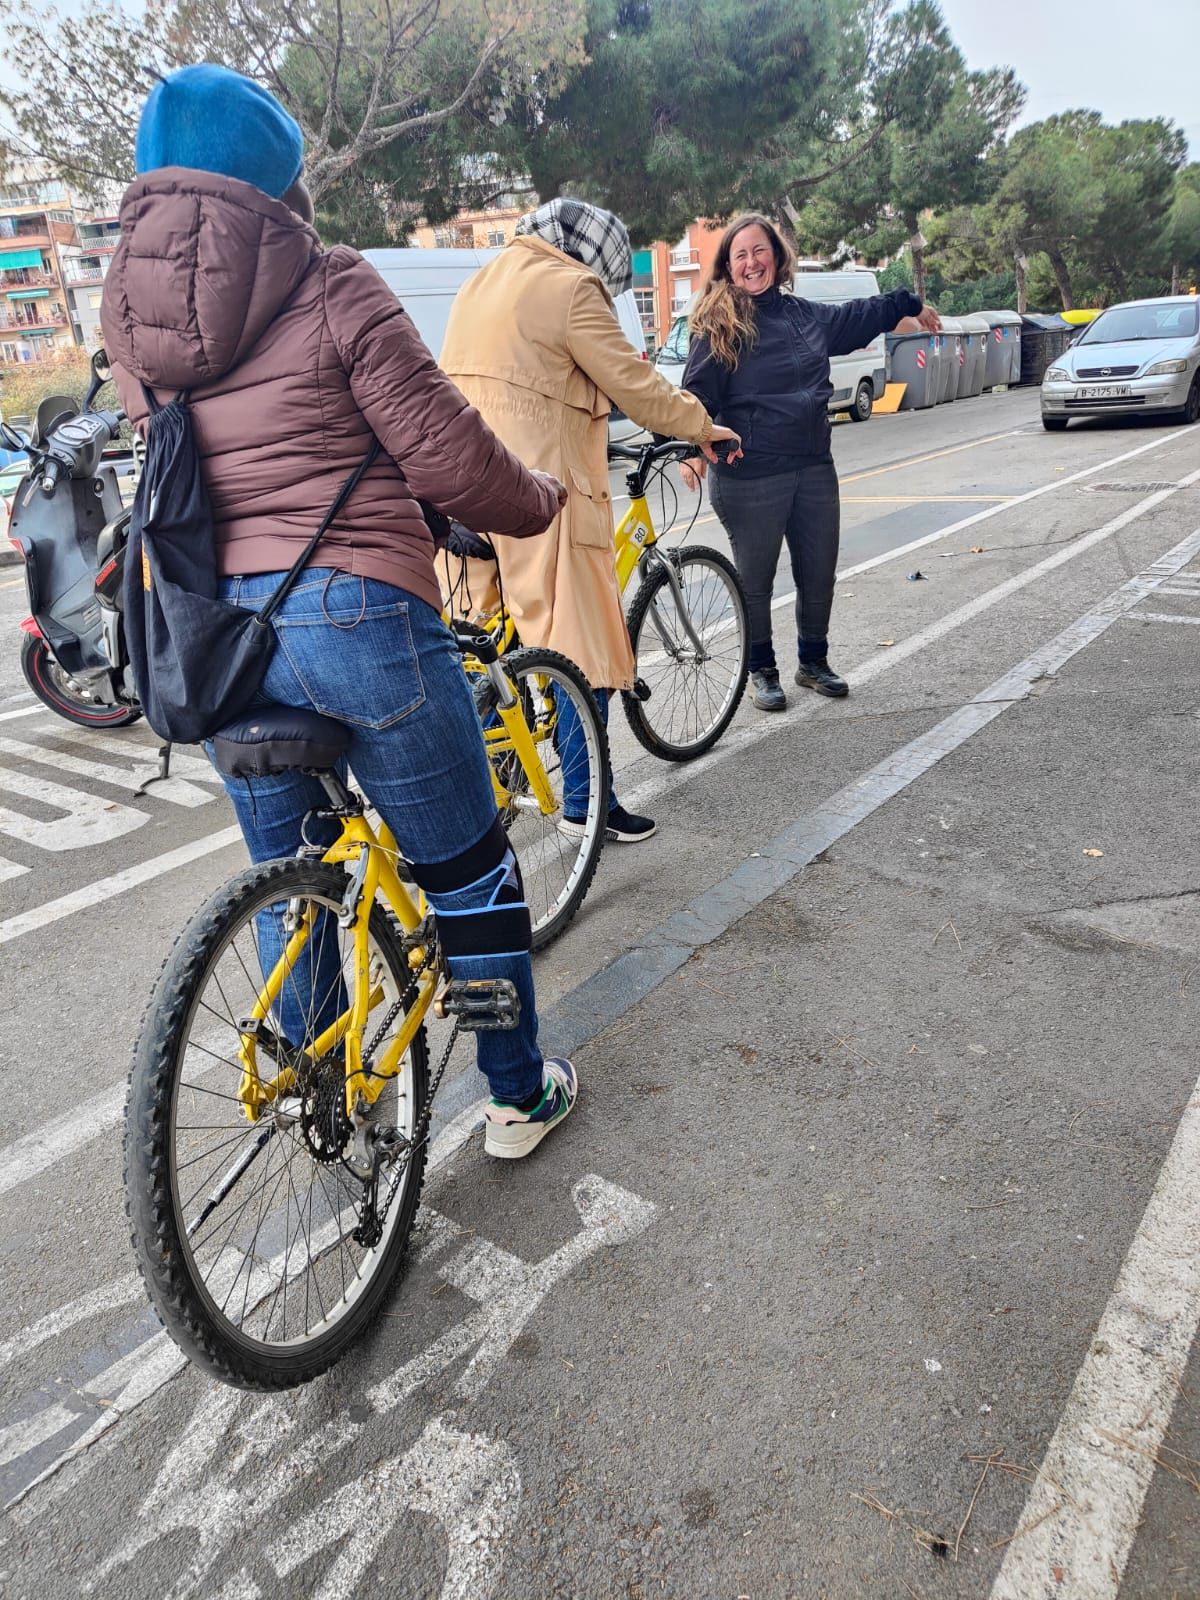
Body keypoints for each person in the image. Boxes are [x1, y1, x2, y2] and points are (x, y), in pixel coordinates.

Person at [101, 64, 576, 1160]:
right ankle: (516, 1091)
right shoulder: (332, 281)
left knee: (291, 877)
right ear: (277, 180)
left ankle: (325, 1074)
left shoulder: (127, 313)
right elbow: (448, 452)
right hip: (355, 619)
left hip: (215, 639)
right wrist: (535, 502)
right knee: (469, 869)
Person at [438, 198, 740, 842]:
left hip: (460, 492)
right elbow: (633, 381)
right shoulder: (569, 287)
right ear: (595, 257)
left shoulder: (481, 279)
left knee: (482, 651)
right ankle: (586, 804)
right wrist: (701, 425)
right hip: (535, 498)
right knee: (581, 649)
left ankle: (486, 789)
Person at [680, 214, 940, 711]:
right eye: (741, 255)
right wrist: (695, 449)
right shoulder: (718, 323)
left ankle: (813, 662)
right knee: (754, 582)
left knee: (818, 572)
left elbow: (864, 313)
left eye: (760, 251)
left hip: (813, 466)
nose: (752, 262)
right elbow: (696, 393)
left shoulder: (805, 318)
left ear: (777, 258)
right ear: (729, 267)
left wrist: (911, 303)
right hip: (750, 474)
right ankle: (762, 670)